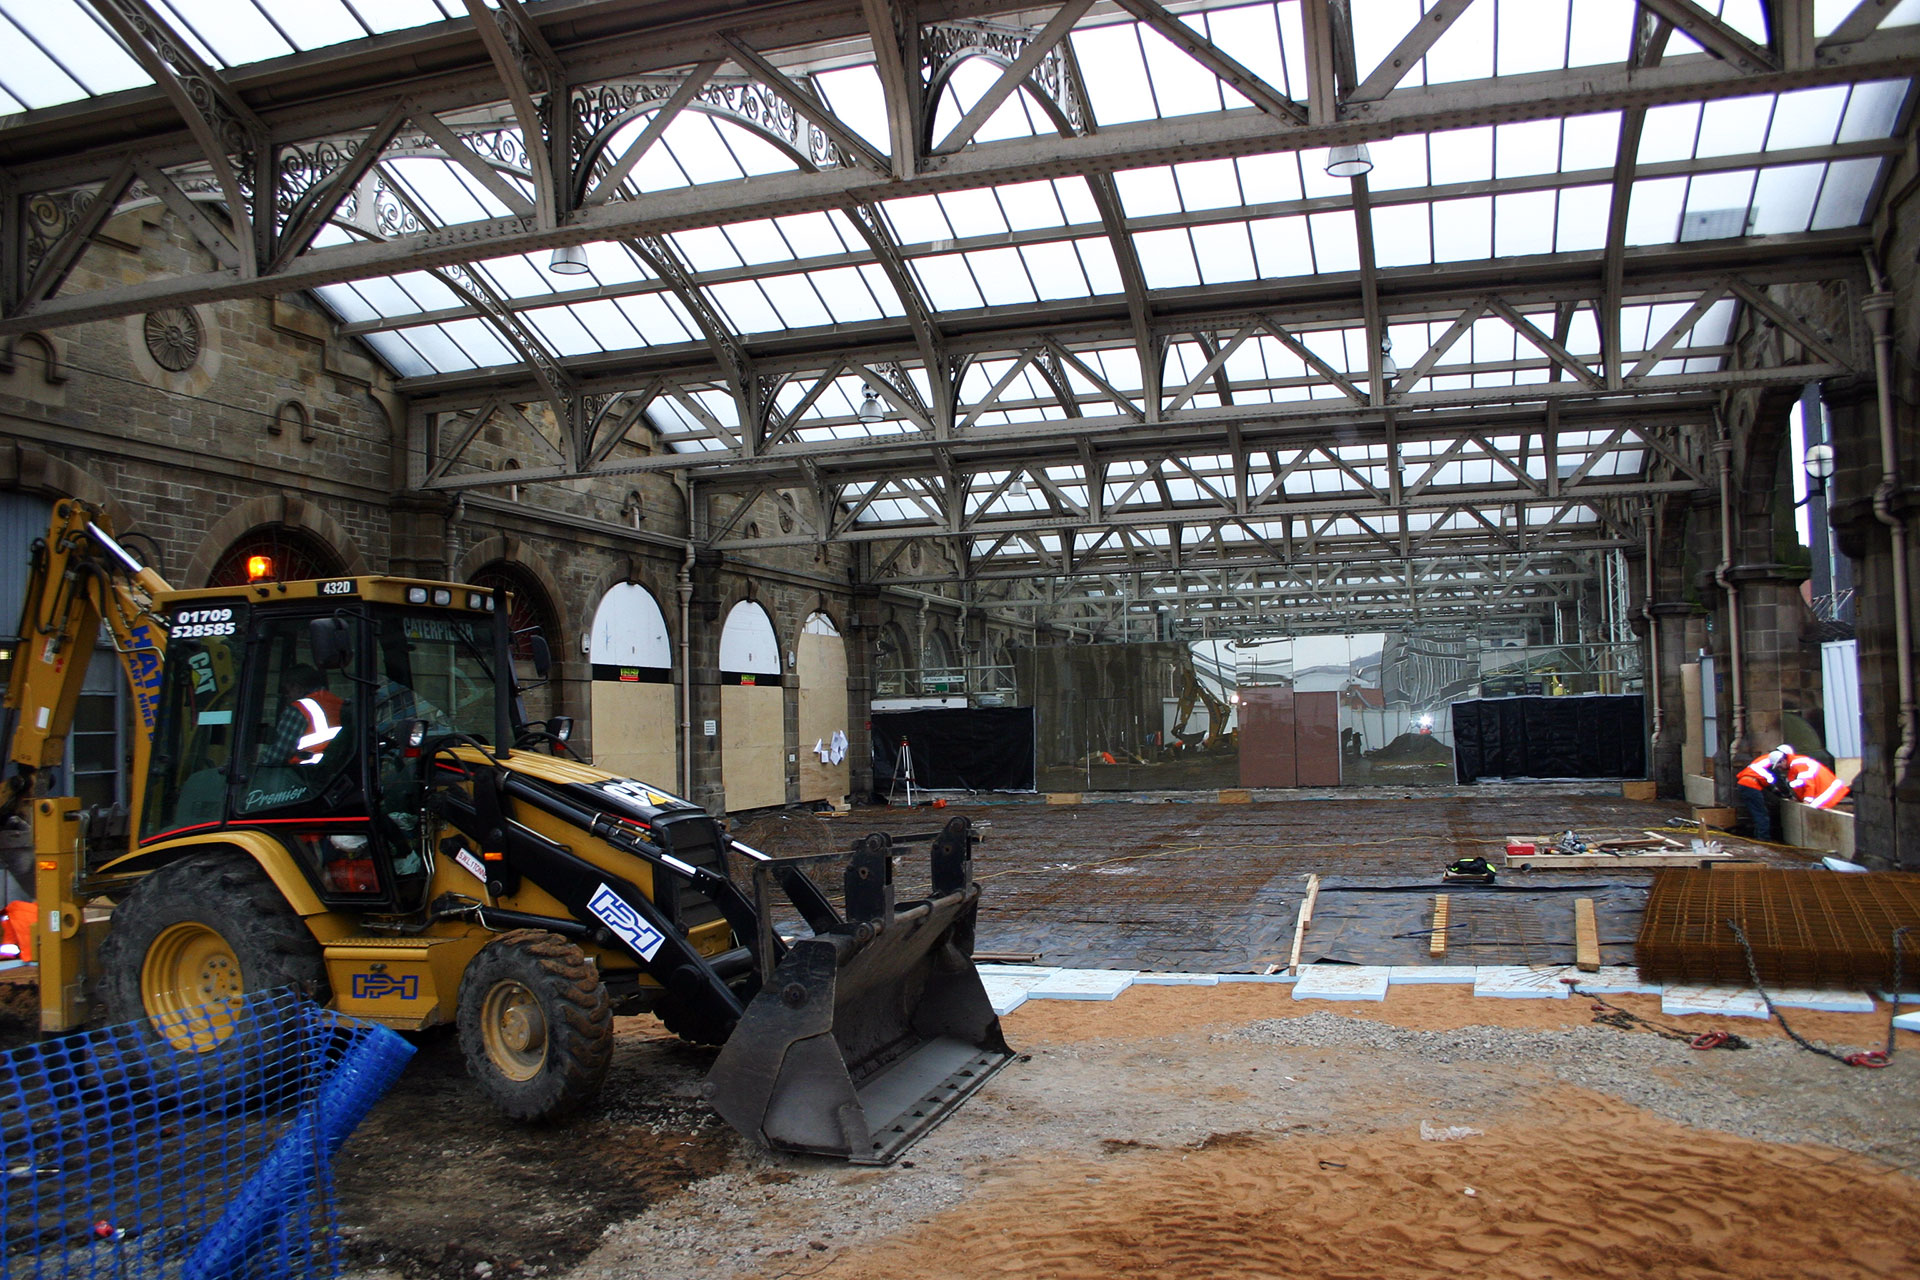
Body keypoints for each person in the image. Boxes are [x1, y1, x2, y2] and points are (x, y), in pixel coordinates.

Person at [264, 664, 344, 765]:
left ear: (297, 687)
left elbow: (276, 756)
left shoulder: (298, 709)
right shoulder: (337, 703)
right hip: (331, 769)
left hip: (304, 773)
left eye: (287, 691)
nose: (287, 696)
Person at [1735, 744, 1792, 840]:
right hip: (1750, 786)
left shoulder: (1765, 760)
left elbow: (1768, 784)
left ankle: (1760, 838)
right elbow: (1778, 781)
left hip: (1746, 784)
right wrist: (1788, 795)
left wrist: (1780, 794)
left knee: (1758, 814)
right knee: (1761, 815)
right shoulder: (1772, 761)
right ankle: (1764, 840)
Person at [1784, 751, 1850, 811]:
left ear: (1783, 760)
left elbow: (1809, 785)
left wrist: (1806, 802)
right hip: (1829, 793)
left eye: (1778, 765)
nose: (1779, 768)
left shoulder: (1798, 765)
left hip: (1827, 796)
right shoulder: (1797, 764)